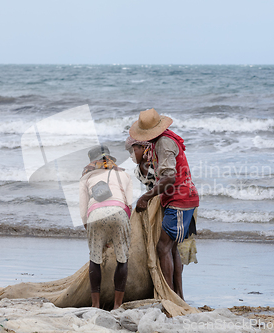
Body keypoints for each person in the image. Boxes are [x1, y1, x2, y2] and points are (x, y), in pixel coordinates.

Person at [129, 108, 199, 299]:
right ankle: (177, 295)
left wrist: (146, 197)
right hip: (182, 198)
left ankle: (168, 295)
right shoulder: (164, 140)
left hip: (179, 199)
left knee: (163, 247)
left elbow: (169, 178)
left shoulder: (164, 143)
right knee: (173, 247)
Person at [79, 145, 132, 309]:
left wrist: (90, 229)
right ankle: (117, 305)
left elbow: (83, 209)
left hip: (95, 215)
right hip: (119, 213)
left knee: (95, 259)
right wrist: (122, 227)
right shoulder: (124, 174)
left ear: (92, 162)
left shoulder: (86, 177)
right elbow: (129, 204)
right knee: (122, 260)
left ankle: (95, 305)